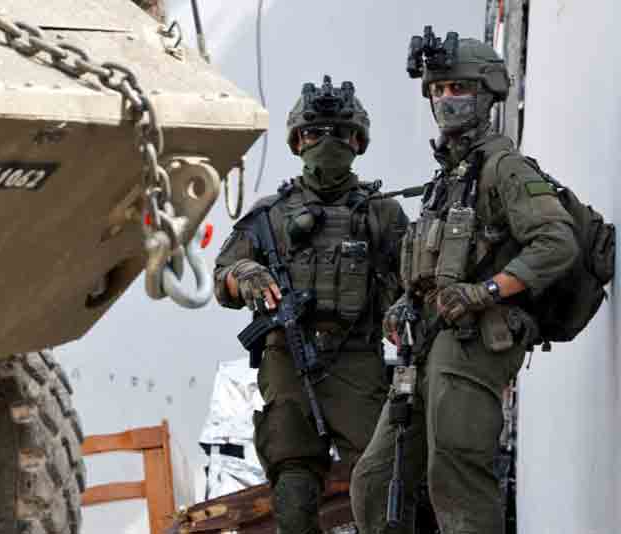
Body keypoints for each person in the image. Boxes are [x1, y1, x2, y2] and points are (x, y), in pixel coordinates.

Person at [350, 34, 579, 533]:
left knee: (456, 477)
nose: (444, 100)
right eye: (437, 89)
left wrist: (488, 290)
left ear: (487, 92)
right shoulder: (448, 178)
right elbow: (430, 264)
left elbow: (557, 242)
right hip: (426, 345)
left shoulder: (504, 168)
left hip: (474, 341)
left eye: (458, 87)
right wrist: (403, 304)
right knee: (374, 480)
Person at [214, 75, 408, 534]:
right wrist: (246, 275)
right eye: (315, 132)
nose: (326, 143)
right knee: (293, 485)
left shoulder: (382, 214)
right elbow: (223, 276)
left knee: (382, 479)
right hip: (287, 359)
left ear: (358, 141)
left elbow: (414, 281)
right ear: (297, 141)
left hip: (355, 360)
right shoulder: (268, 216)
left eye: (339, 133)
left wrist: (404, 309)